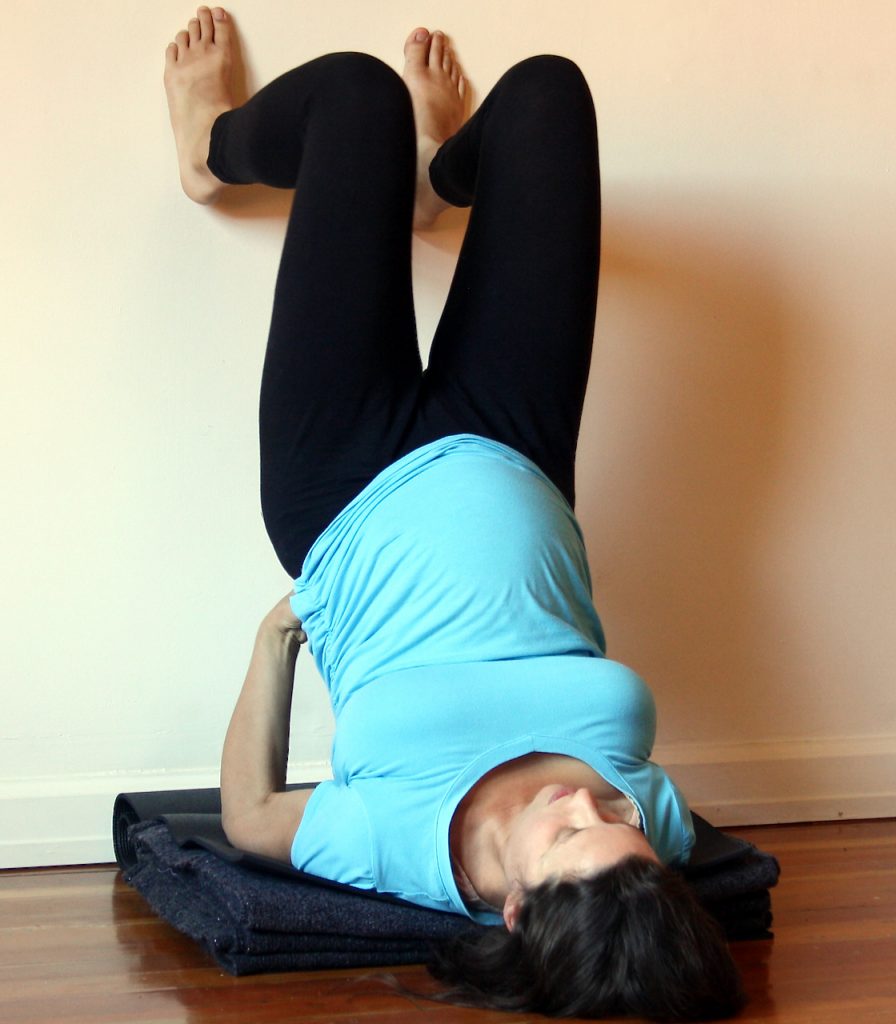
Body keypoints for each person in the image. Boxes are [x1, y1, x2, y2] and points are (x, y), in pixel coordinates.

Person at [164, 8, 745, 1020]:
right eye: (618, 816)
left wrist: (272, 646)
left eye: (569, 835)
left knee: (356, 96)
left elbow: (253, 821)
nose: (585, 799)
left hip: (341, 489)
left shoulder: (398, 842)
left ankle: (211, 152)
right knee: (546, 94)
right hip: (514, 452)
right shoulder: (656, 825)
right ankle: (440, 182)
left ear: (513, 910)